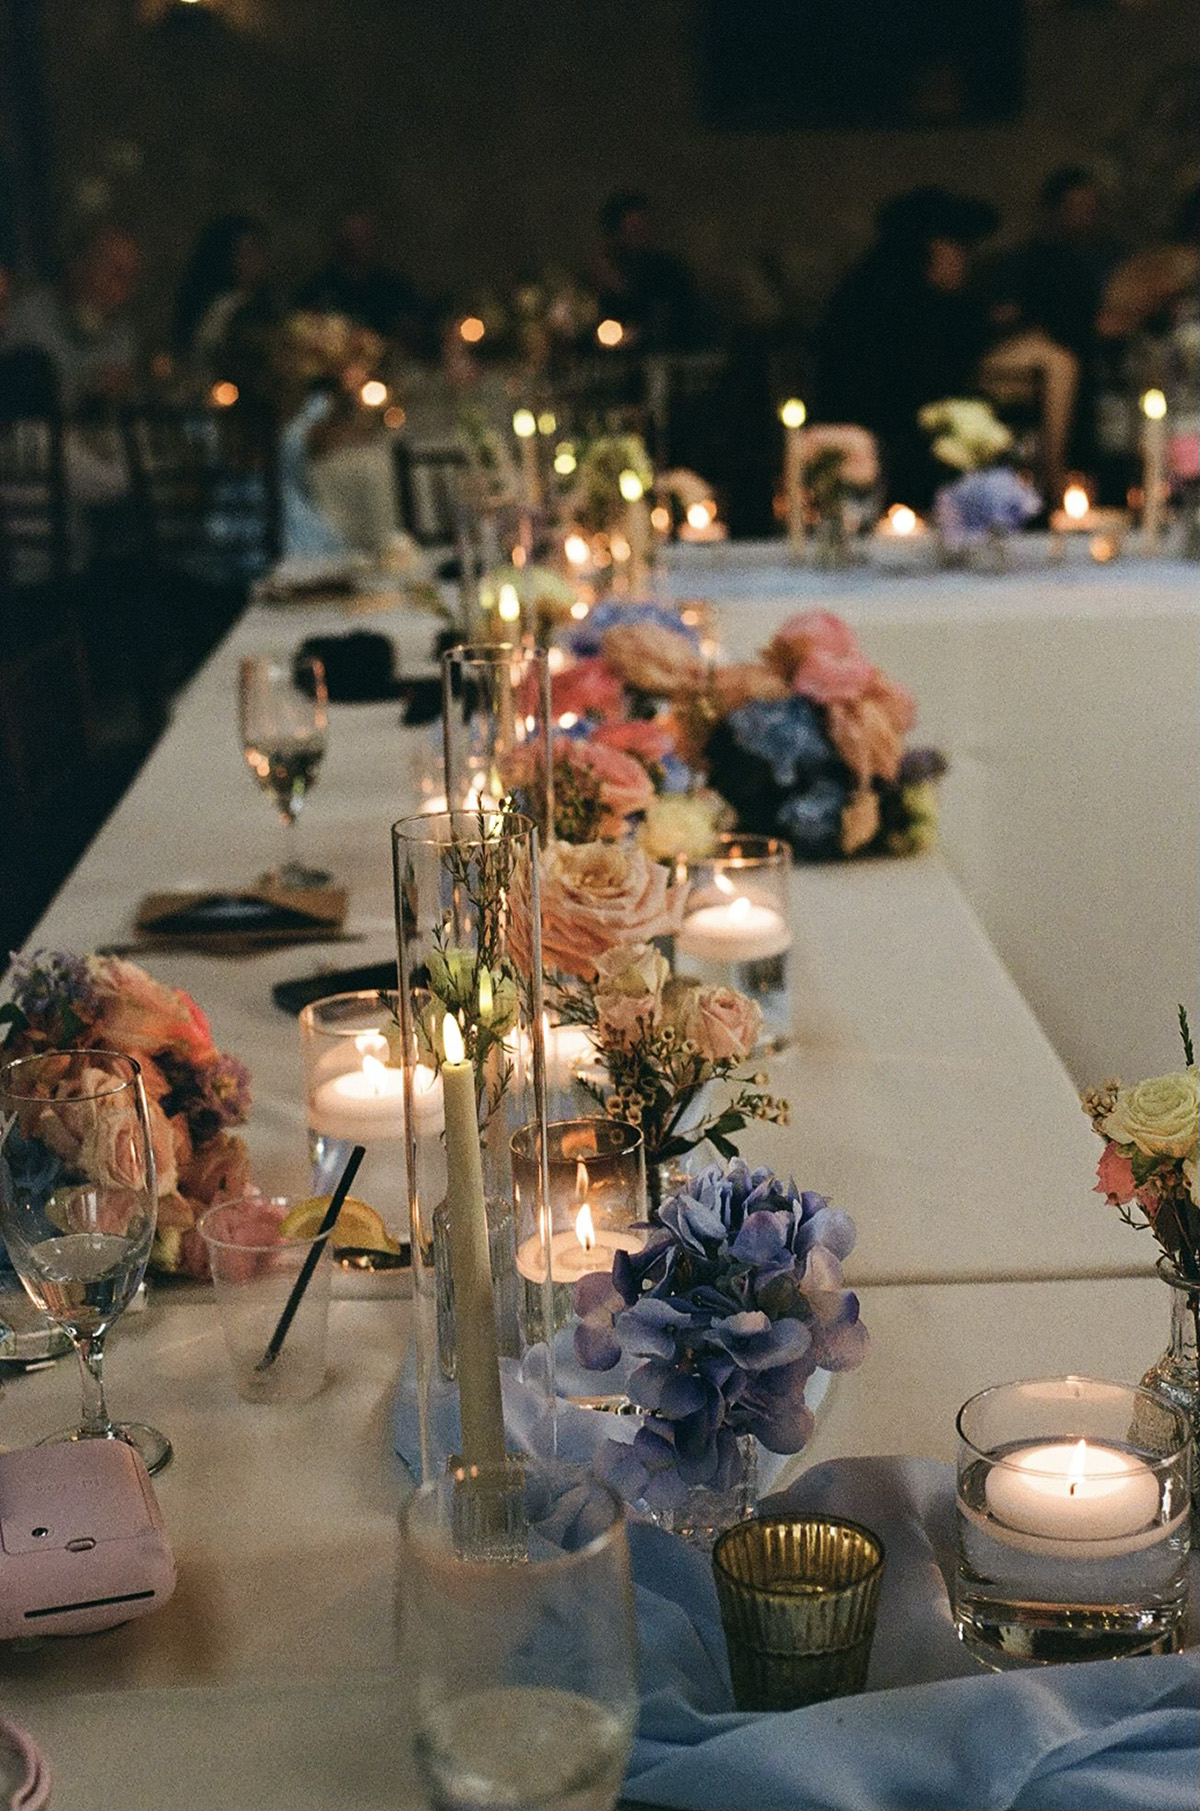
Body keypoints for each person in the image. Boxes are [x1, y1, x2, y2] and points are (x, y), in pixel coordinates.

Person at [812, 187, 998, 506]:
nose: (965, 261)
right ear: (930, 248)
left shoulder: (895, 292)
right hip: (884, 455)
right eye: (960, 248)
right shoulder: (883, 303)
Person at [3, 225, 140, 411]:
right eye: (114, 274)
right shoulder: (26, 317)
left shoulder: (121, 337)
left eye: (129, 278)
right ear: (78, 268)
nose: (121, 289)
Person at [294, 207, 428, 353]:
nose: (356, 246)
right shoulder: (317, 289)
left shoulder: (394, 288)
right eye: (350, 239)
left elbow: (413, 331)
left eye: (363, 238)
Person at [171, 213, 275, 395]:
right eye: (245, 253)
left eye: (257, 252)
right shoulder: (212, 305)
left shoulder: (265, 310)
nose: (254, 261)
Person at [593, 190, 699, 352]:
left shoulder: (667, 271)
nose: (642, 235)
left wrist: (624, 291)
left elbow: (664, 324)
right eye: (633, 229)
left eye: (644, 227)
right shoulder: (606, 271)